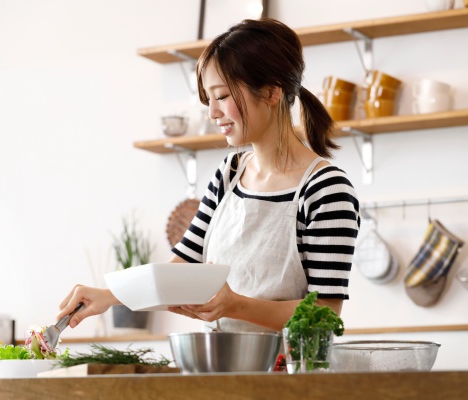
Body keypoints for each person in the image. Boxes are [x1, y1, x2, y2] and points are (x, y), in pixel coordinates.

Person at [57, 18, 360, 333]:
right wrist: (107, 296)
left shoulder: (326, 189)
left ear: (271, 92)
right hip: (221, 368)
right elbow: (182, 267)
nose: (213, 112)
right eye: (209, 99)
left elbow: (325, 316)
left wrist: (236, 305)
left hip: (286, 375)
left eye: (223, 96)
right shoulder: (229, 174)